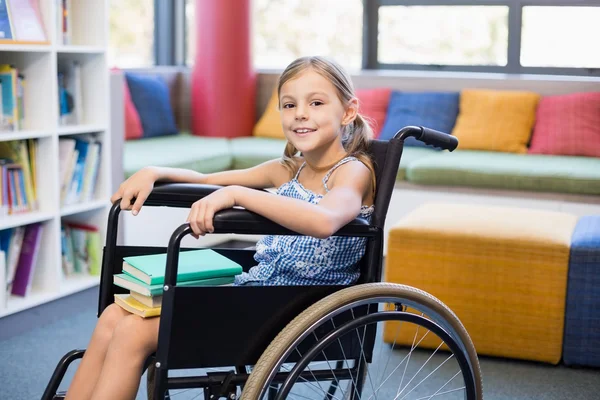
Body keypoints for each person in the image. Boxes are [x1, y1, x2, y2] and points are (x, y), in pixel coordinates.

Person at [65, 55, 377, 400]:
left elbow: (324, 221)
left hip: (302, 307)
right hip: (258, 291)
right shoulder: (289, 168)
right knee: (114, 314)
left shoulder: (353, 171)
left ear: (348, 111)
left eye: (316, 103)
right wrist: (154, 171)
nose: (300, 113)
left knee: (133, 333)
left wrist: (237, 195)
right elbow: (208, 179)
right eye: (289, 105)